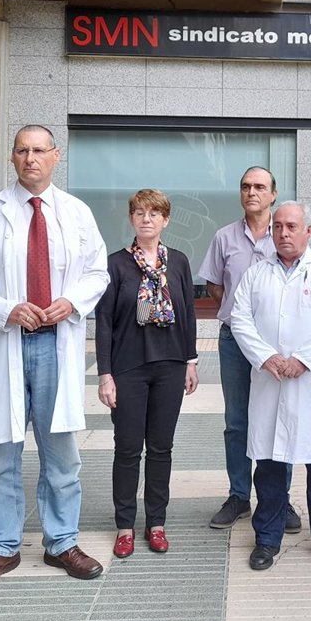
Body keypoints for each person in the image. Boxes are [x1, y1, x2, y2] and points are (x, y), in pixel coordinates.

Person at [0, 124, 110, 593]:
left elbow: (97, 272)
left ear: (56, 156)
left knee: (62, 454)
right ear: (12, 157)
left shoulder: (76, 213)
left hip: (56, 343)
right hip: (6, 342)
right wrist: (6, 309)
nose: (30, 158)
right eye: (22, 150)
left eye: (39, 150)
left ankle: (62, 542)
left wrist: (72, 301)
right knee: (1, 454)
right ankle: (1, 547)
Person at [230, 202, 311, 572]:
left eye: (292, 226)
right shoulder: (256, 273)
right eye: (278, 226)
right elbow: (240, 319)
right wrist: (266, 356)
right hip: (270, 381)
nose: (283, 233)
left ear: (308, 231)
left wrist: (302, 359)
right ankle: (267, 539)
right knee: (268, 468)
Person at [95, 189, 198, 558]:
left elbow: (188, 313)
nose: (146, 219)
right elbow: (104, 322)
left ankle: (156, 522)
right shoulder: (115, 264)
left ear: (165, 220)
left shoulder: (179, 262)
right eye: (139, 213)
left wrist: (191, 361)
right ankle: (124, 525)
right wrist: (105, 375)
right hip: (128, 368)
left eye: (154, 213)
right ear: (131, 219)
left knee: (161, 448)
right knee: (127, 448)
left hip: (170, 366)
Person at [198, 166, 300, 533]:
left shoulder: (284, 234)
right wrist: (237, 314)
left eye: (259, 187)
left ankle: (279, 499)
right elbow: (214, 285)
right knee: (237, 421)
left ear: (273, 194)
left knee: (278, 419)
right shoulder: (224, 237)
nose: (251, 192)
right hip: (234, 342)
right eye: (245, 186)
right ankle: (239, 495)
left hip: (276, 344)